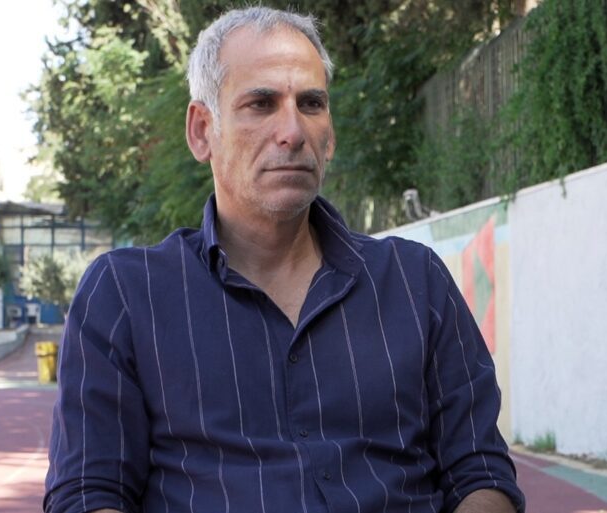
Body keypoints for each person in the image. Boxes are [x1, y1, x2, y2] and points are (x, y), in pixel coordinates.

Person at [44, 7, 524, 513]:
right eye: (261, 103)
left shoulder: (414, 281)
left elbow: (481, 471)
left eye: (311, 104)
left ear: (330, 134)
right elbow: (86, 492)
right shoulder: (125, 295)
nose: (293, 131)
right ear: (202, 131)